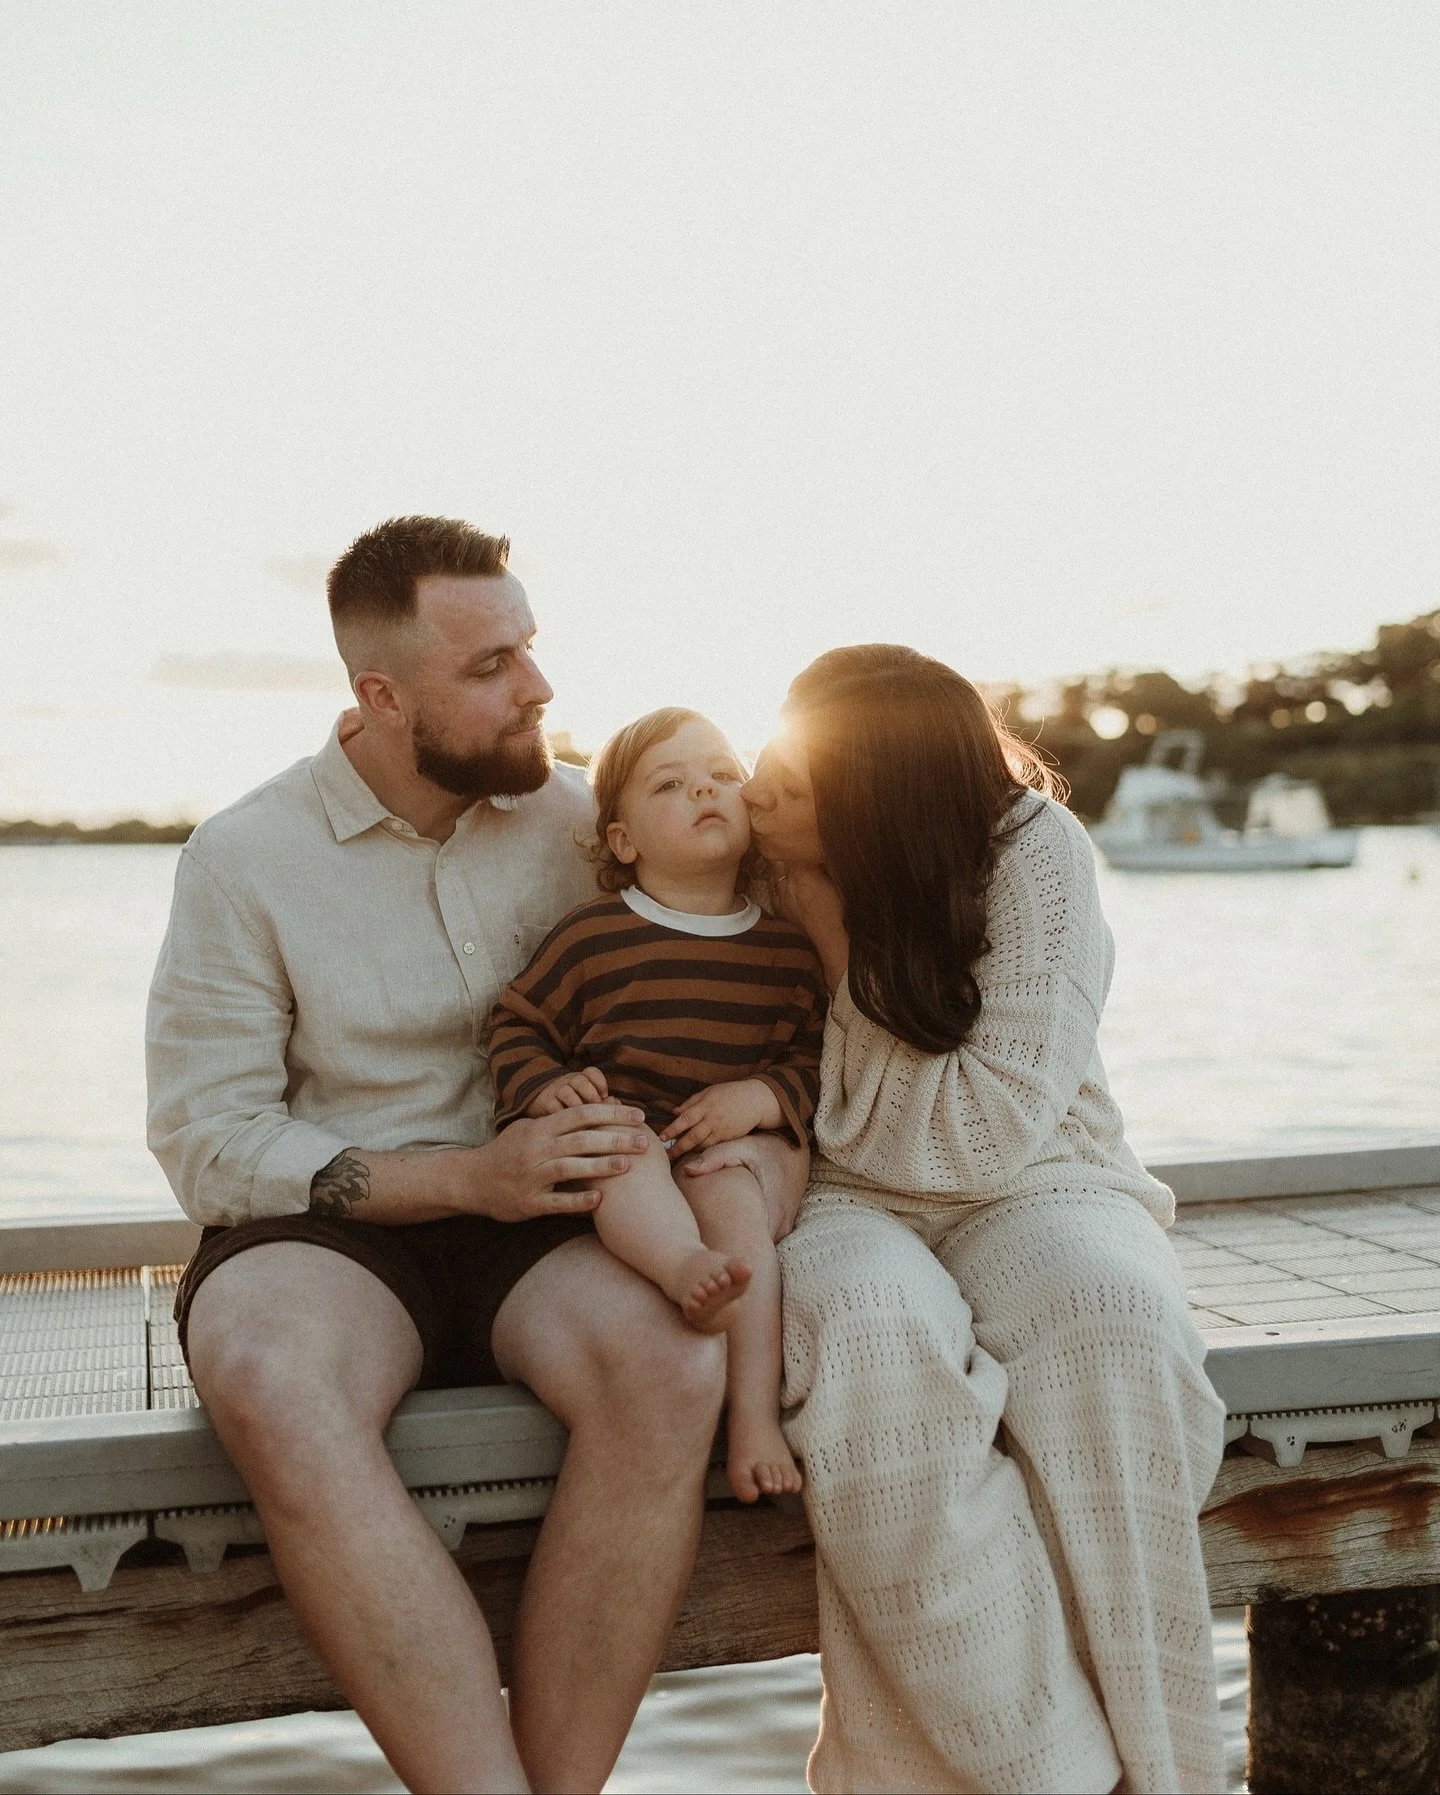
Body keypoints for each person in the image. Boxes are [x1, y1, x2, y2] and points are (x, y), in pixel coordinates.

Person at [145, 516, 809, 1795]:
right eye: (493, 663)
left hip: (556, 1222)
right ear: (383, 696)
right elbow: (208, 1136)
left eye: (533, 647)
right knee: (269, 1376)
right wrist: (464, 1176)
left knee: (673, 1362)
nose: (540, 688)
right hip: (331, 1237)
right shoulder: (243, 857)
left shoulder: (584, 823)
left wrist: (758, 1122)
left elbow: (762, 955)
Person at [743, 644, 1226, 1795]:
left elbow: (980, 1134)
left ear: (881, 805)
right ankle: (1056, 1774)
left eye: (795, 780)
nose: (763, 793)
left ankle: (1167, 1773)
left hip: (1041, 1173)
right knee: (867, 1335)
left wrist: (841, 946)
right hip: (837, 1193)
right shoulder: (758, 850)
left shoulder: (1032, 852)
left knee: (1111, 1324)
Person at [489, 706, 824, 1500]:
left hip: (718, 1152)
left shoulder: (785, 949)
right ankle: (682, 1269)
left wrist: (761, 1097)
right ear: (623, 841)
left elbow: (815, 1059)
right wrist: (542, 1085)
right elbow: (517, 1023)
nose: (705, 788)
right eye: (670, 784)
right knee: (623, 1148)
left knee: (738, 1211)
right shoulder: (593, 937)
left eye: (722, 773)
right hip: (631, 1140)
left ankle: (752, 1417)